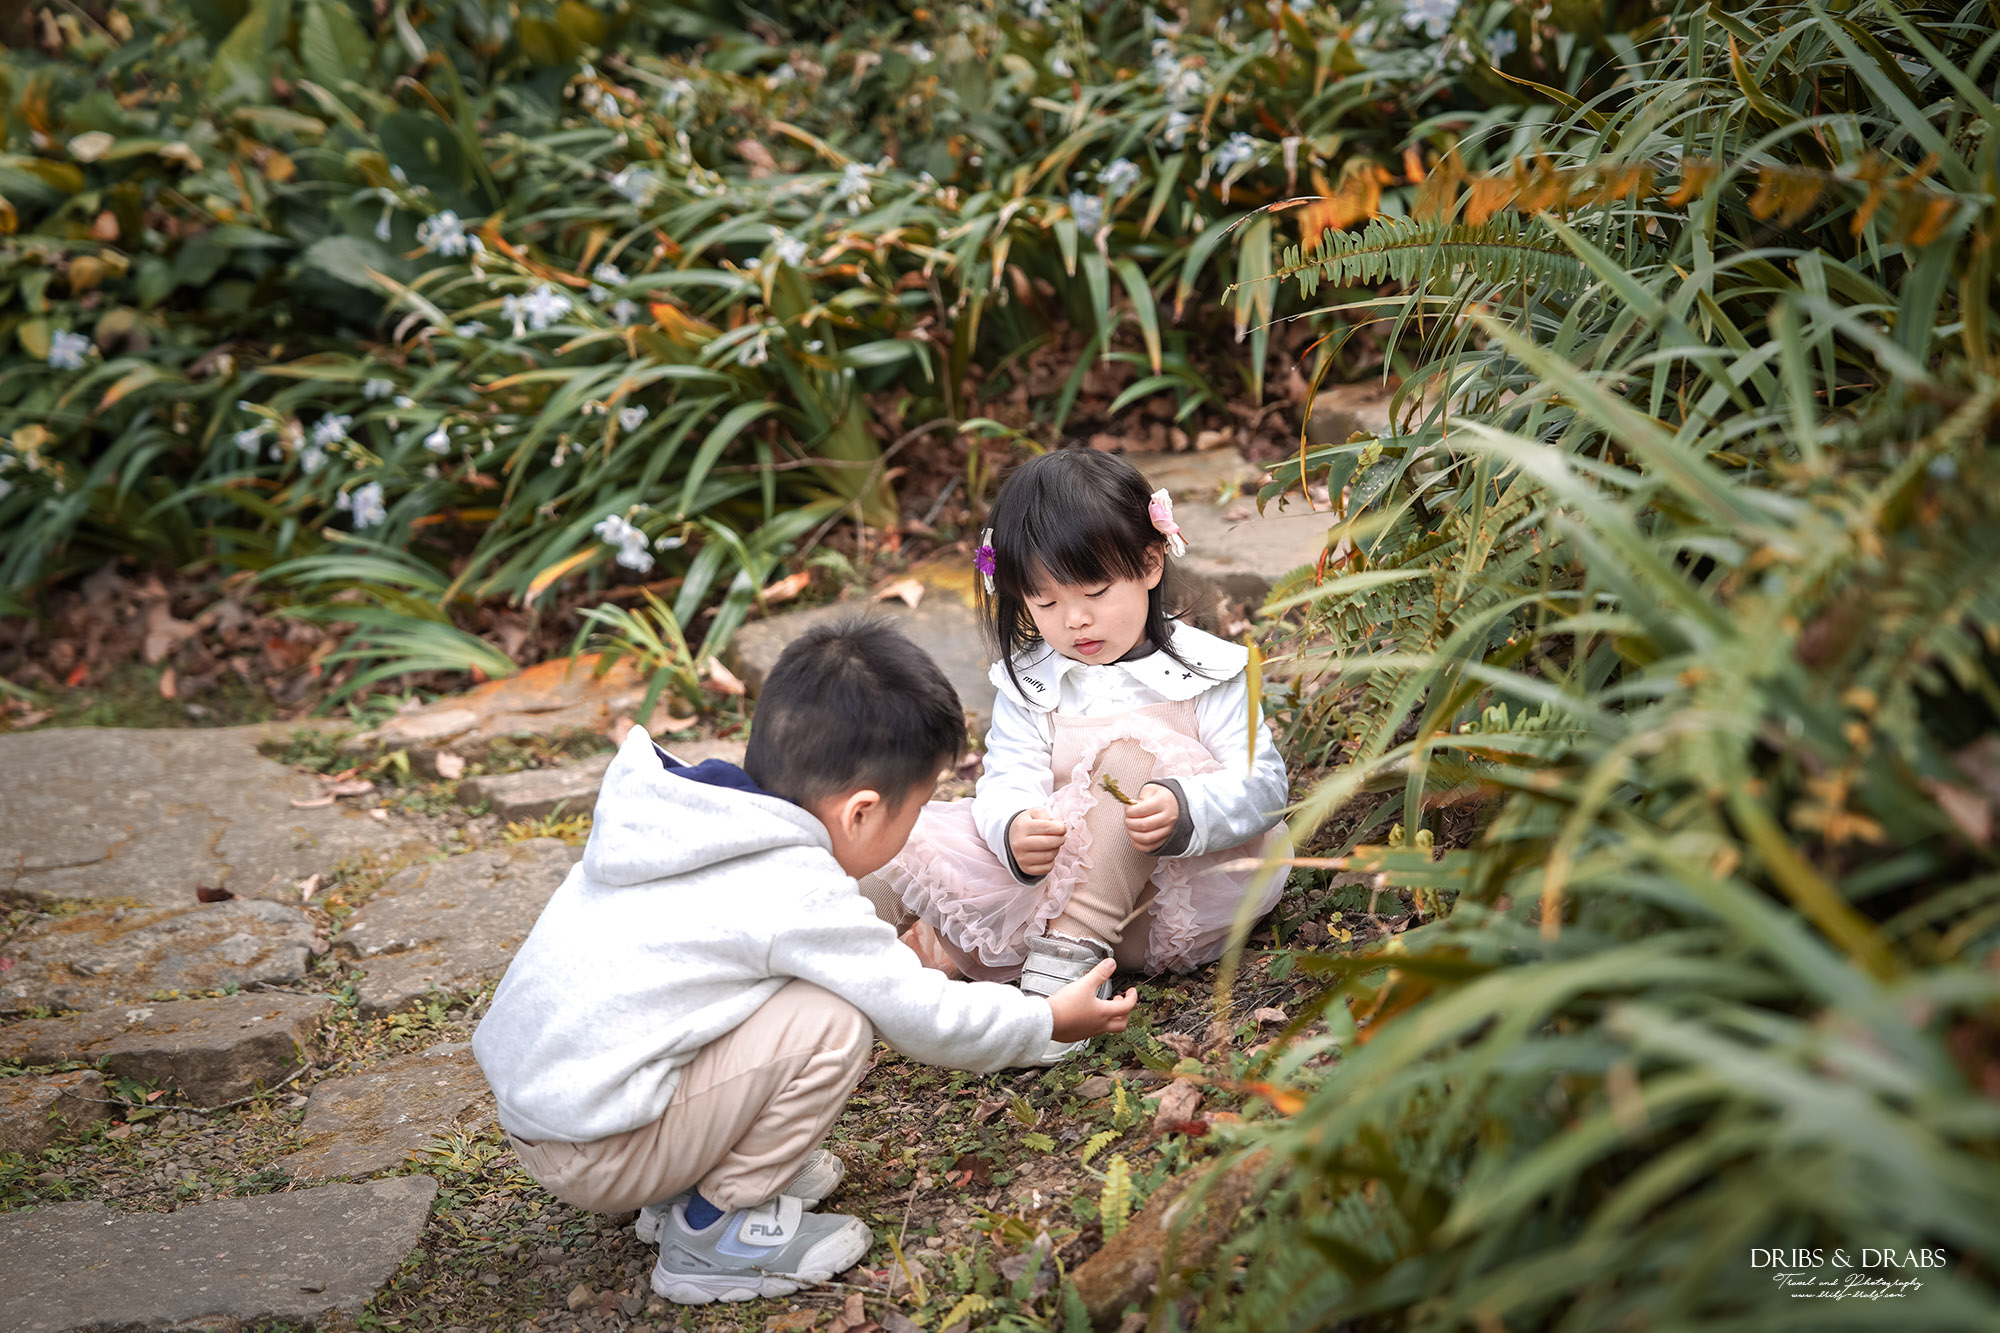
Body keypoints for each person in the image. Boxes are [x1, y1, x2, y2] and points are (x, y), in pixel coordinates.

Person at [471, 618, 1137, 1306]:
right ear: (860, 812)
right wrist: (1045, 1019)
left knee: (772, 990)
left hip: (562, 1109)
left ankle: (683, 1176)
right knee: (834, 1020)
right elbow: (919, 1012)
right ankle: (713, 1229)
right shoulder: (791, 887)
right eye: (919, 805)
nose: (921, 822)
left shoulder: (691, 811)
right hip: (600, 1145)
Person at [862, 449, 1290, 1060]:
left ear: (1149, 563)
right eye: (1045, 603)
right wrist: (1014, 827)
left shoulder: (1207, 671)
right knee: (913, 842)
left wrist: (1185, 808)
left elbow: (1264, 783)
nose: (1076, 620)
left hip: (1175, 895)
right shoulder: (1033, 682)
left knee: (1129, 754)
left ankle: (1065, 974)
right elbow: (1007, 775)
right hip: (1046, 892)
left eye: (1094, 590)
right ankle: (831, 950)